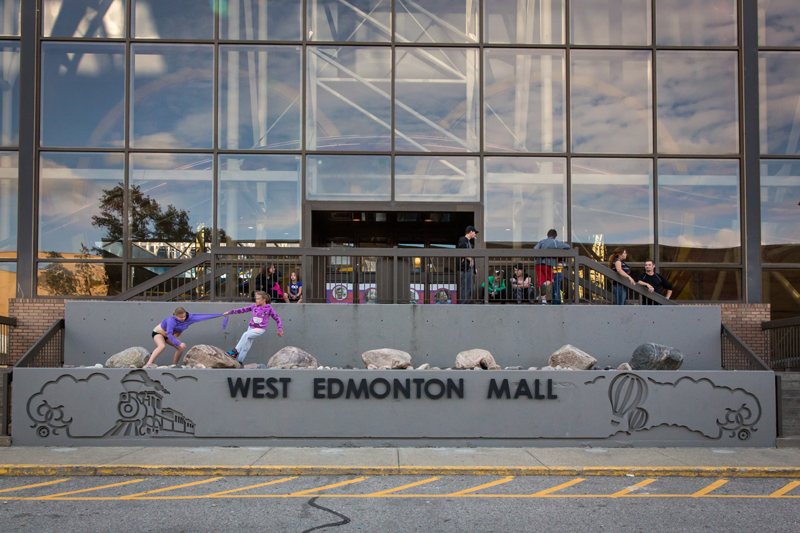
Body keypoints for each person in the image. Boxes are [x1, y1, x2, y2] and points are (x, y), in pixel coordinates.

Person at [148, 307, 225, 366]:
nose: (183, 318)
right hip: (158, 333)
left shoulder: (188, 318)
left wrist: (221, 314)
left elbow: (203, 316)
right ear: (175, 316)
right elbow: (169, 334)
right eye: (181, 317)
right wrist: (178, 343)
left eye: (184, 316)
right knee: (162, 346)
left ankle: (174, 365)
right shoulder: (171, 320)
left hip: (169, 336)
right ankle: (149, 363)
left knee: (180, 348)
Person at [224, 291, 284, 364]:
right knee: (246, 347)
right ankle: (240, 362)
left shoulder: (269, 309)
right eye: (256, 299)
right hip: (251, 328)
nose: (256, 300)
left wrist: (280, 329)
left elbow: (277, 318)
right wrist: (229, 312)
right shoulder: (253, 306)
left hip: (260, 329)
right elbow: (242, 310)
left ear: (264, 300)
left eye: (258, 299)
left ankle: (234, 352)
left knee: (245, 334)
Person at [533, 229, 571, 305]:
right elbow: (567, 246)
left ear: (547, 236)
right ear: (555, 237)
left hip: (538, 264)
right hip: (548, 264)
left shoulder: (542, 241)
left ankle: (543, 301)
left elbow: (535, 249)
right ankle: (544, 285)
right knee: (550, 280)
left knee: (541, 281)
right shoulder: (554, 242)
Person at [457, 226, 478, 304]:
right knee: (465, 285)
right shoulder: (463, 240)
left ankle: (467, 301)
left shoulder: (469, 243)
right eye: (474, 232)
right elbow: (462, 250)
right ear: (471, 232)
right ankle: (463, 302)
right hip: (466, 267)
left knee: (469, 286)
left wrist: (474, 268)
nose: (475, 234)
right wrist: (470, 259)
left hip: (469, 268)